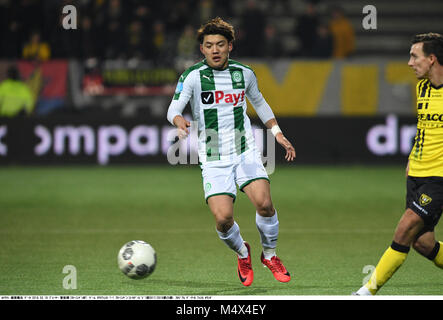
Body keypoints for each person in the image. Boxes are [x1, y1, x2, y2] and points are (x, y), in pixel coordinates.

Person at [166, 17, 296, 286]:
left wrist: (277, 134)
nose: (215, 50)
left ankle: (270, 255)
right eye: (209, 45)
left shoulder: (244, 73)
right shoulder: (191, 76)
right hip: (213, 157)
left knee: (264, 203)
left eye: (220, 45)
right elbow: (174, 109)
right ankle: (242, 252)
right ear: (202, 49)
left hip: (244, 150)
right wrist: (179, 122)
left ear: (230, 47)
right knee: (223, 219)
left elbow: (259, 103)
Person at [354, 33, 443, 295]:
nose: (409, 63)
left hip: (438, 178)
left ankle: (366, 291)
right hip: (416, 174)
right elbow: (425, 128)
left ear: (432, 58)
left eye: (414, 56)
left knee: (404, 228)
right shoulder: (423, 88)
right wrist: (412, 157)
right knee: (423, 244)